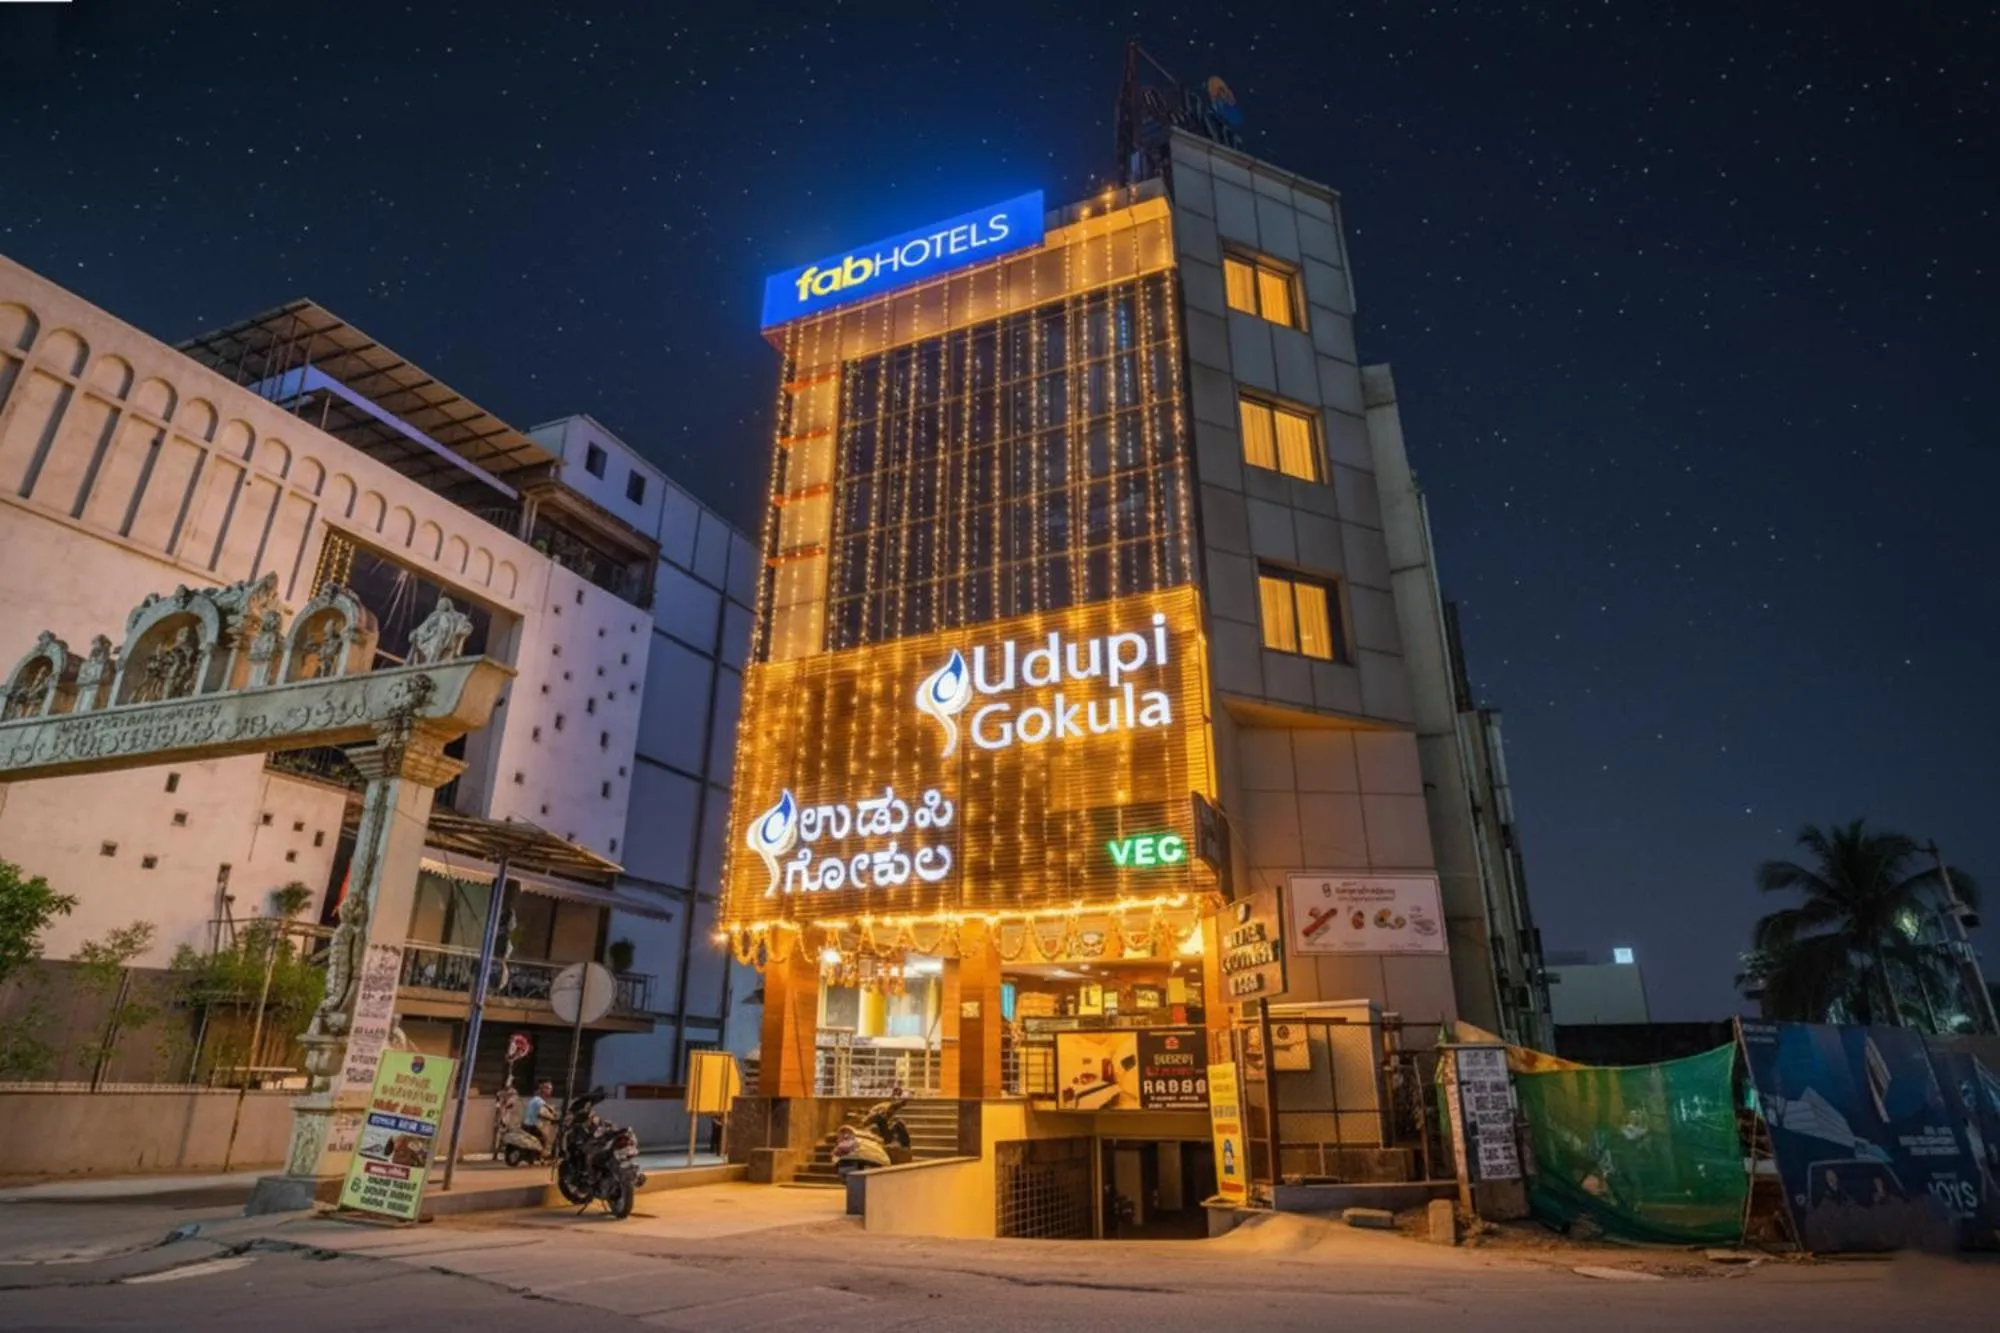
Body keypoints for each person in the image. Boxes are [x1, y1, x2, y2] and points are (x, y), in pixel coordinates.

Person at [524, 1081, 556, 1153]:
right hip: (533, 1125)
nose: (550, 1091)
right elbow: (542, 1113)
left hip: (526, 1124)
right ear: (543, 1090)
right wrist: (552, 1118)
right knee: (545, 1138)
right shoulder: (539, 1101)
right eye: (548, 1089)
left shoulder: (534, 1099)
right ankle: (543, 1155)